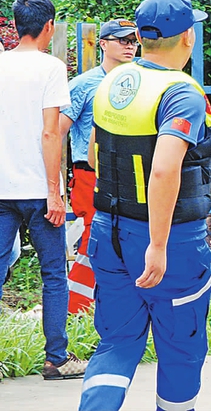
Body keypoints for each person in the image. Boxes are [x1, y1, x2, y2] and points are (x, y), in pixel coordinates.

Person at [79, 0, 211, 411]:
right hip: (168, 240)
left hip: (108, 231)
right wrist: (156, 245)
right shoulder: (181, 94)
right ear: (188, 37)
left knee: (117, 341)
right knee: (180, 346)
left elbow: (93, 156)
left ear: (139, 37)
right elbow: (164, 170)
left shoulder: (112, 82)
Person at [0, 0, 87, 381]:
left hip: (2, 190)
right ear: (48, 26)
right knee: (53, 273)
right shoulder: (51, 68)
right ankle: (57, 358)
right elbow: (51, 134)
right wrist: (56, 192)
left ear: (16, 26)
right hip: (38, 190)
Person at [60, 18, 139, 313]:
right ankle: (76, 306)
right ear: (103, 43)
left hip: (130, 172)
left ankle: (114, 302)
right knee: (95, 234)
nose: (129, 45)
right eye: (122, 40)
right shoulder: (83, 85)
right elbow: (58, 130)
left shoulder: (141, 81)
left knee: (128, 235)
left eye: (133, 40)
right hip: (90, 172)